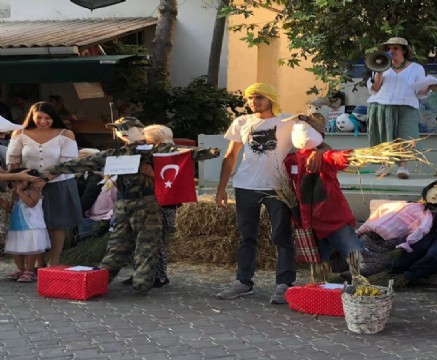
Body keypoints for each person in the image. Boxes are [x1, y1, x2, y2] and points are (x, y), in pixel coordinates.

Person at [46, 117, 220, 295]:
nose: (122, 132)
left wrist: (209, 151)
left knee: (147, 243)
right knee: (117, 244)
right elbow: (85, 162)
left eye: (126, 128)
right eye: (118, 129)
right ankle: (100, 280)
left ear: (139, 128)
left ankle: (143, 282)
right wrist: (54, 169)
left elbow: (180, 152)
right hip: (122, 203)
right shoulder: (116, 153)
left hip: (146, 202)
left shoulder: (153, 149)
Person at [215, 82, 326, 304]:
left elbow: (319, 141)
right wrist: (221, 189)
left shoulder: (288, 121)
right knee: (247, 236)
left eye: (259, 97)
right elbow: (230, 156)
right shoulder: (241, 122)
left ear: (271, 99)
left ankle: (284, 285)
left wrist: (319, 153)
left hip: (278, 186)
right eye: (250, 98)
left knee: (282, 236)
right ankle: (243, 283)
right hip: (245, 185)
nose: (253, 102)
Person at [283, 113, 365, 283]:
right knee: (318, 260)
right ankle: (320, 285)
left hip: (334, 217)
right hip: (308, 221)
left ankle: (358, 279)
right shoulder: (290, 160)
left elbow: (339, 158)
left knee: (353, 251)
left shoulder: (324, 157)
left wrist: (355, 156)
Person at [6, 101, 83, 267]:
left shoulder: (65, 134)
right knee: (36, 223)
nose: (43, 121)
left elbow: (68, 163)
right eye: (39, 117)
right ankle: (37, 263)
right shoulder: (19, 133)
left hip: (59, 182)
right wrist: (20, 182)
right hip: (29, 184)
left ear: (53, 117)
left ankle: (53, 261)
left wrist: (46, 179)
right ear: (32, 116)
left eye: (47, 118)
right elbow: (13, 161)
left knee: (57, 223)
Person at [366, 37, 437, 179]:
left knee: (406, 135)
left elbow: (419, 92)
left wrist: (429, 87)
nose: (391, 51)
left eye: (395, 48)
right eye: (389, 48)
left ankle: (403, 167)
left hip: (407, 105)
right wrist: (380, 71)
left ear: (404, 50)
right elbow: (374, 89)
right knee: (384, 136)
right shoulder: (380, 65)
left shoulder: (417, 68)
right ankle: (385, 165)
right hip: (382, 104)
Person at [121, 124, 177, 287]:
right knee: (134, 238)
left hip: (162, 204)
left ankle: (159, 275)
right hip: (139, 201)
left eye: (148, 140)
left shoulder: (170, 157)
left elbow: (171, 182)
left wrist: (150, 173)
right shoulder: (141, 155)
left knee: (156, 240)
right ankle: (139, 272)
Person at [3, 168, 50, 283]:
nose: (14, 184)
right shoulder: (16, 193)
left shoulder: (34, 191)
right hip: (17, 226)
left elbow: (31, 203)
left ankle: (29, 271)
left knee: (30, 249)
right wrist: (5, 205)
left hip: (31, 226)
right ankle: (20, 269)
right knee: (16, 248)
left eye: (18, 181)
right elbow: (14, 208)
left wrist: (20, 192)